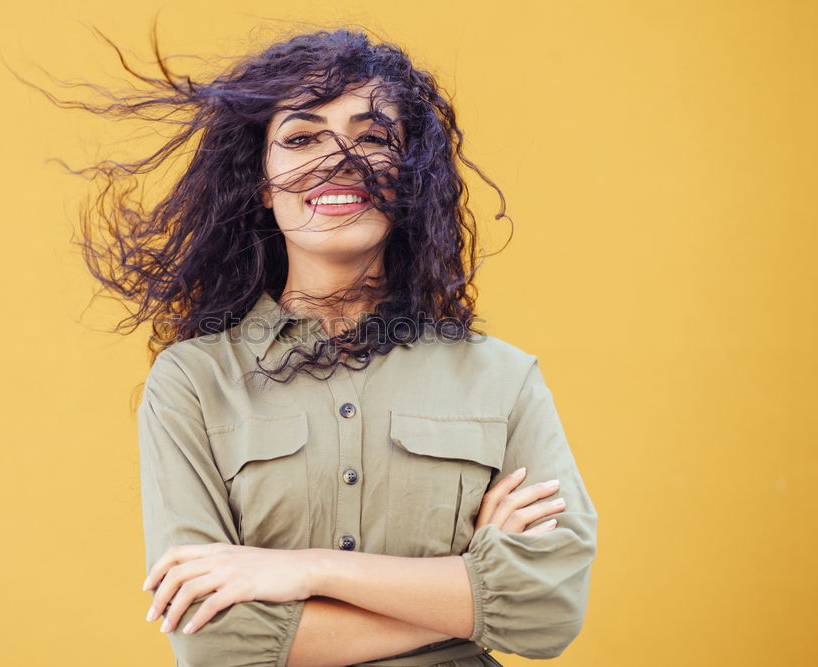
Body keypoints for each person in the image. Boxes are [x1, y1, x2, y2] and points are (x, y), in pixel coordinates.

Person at [38, 25, 597, 666]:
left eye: (373, 137)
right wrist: (475, 594)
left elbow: (549, 608)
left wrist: (306, 571)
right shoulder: (192, 382)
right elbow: (215, 642)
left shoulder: (503, 380)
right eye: (301, 137)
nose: (339, 160)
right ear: (261, 181)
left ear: (411, 174)